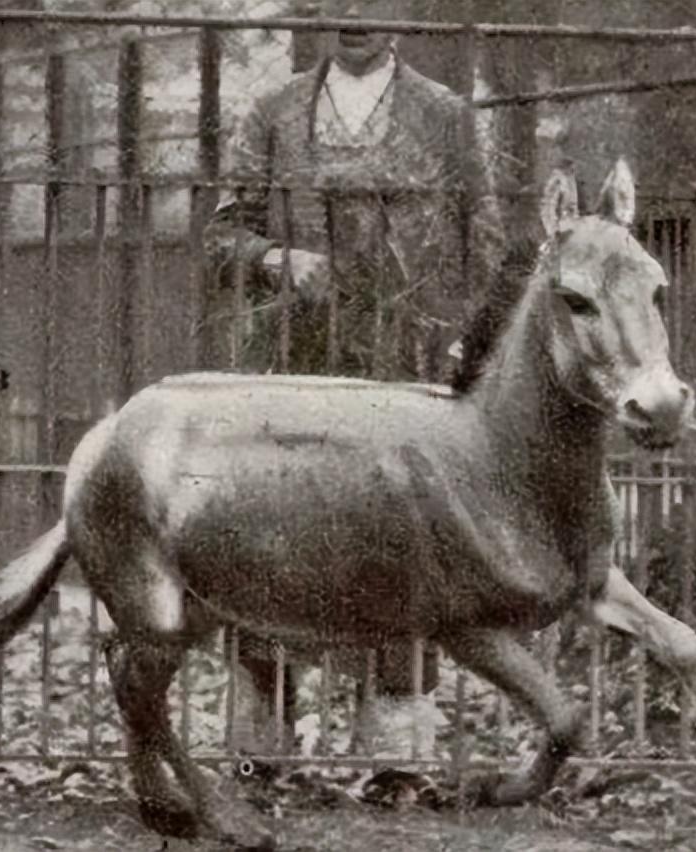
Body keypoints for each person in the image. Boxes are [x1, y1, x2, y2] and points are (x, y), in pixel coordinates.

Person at [204, 0, 505, 755]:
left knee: (408, 541)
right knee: (272, 530)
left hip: (406, 363)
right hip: (291, 360)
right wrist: (277, 260)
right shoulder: (274, 109)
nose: (354, 14)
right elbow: (222, 234)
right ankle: (262, 736)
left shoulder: (446, 116)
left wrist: (454, 340)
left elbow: (486, 242)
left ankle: (396, 742)